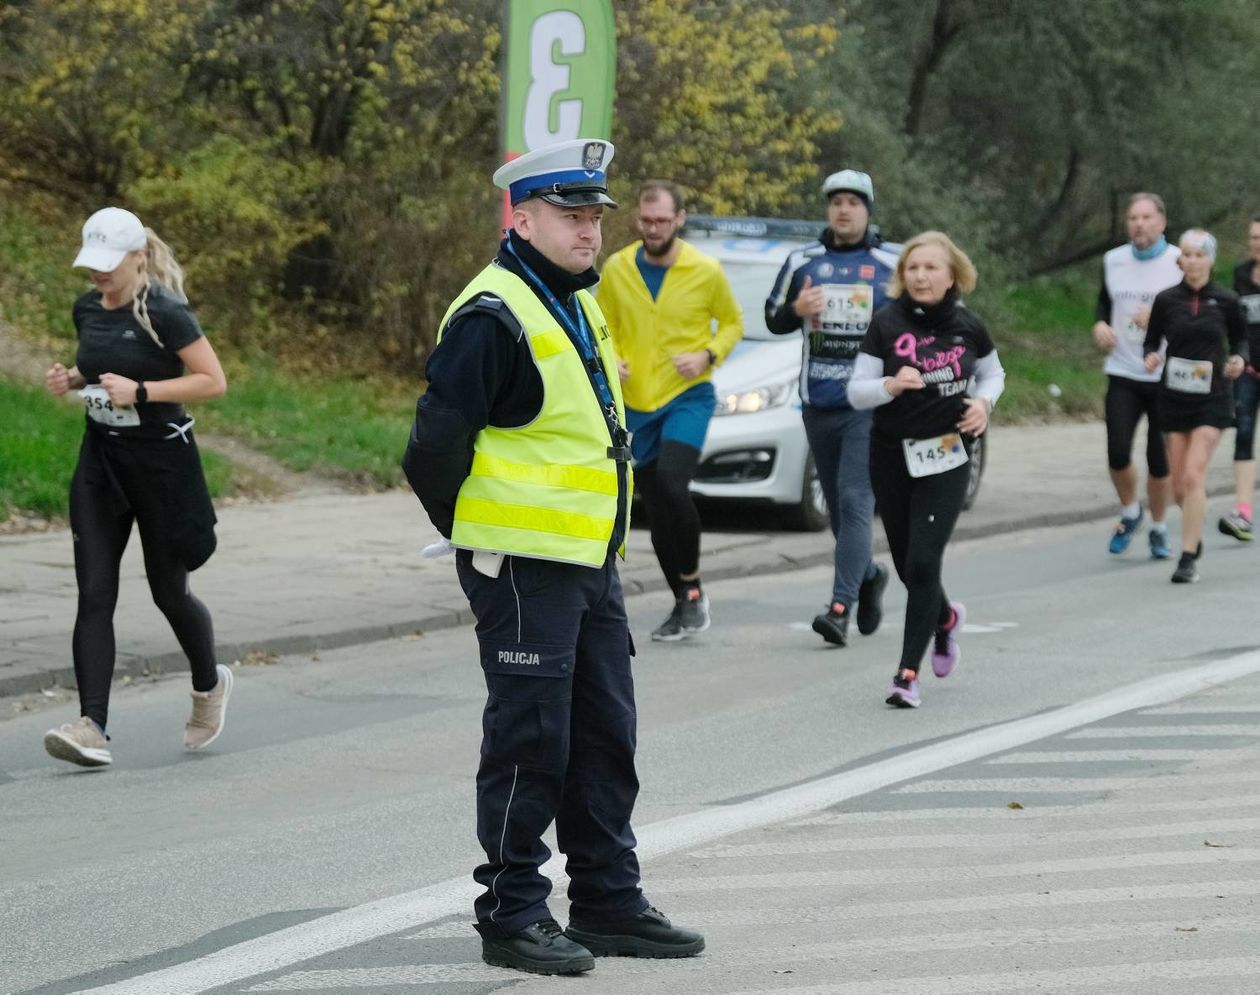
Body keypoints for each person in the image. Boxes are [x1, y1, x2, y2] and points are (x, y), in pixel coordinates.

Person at [401, 139, 703, 976]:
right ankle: (511, 912)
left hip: (586, 563)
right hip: (525, 566)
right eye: (572, 217)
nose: (589, 232)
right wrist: (481, 539)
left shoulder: (574, 298)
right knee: (532, 743)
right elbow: (431, 449)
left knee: (604, 736)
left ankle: (607, 899)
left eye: (593, 217)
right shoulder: (493, 314)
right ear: (522, 217)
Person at [41, 207, 231, 768]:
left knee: (168, 591)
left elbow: (212, 381)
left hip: (162, 469)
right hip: (101, 466)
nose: (98, 274)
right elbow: (100, 365)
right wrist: (73, 378)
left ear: (137, 257)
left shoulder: (165, 312)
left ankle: (208, 685)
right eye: (91, 263)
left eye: (109, 264)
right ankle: (91, 726)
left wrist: (143, 392)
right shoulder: (86, 309)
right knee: (95, 593)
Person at [848, 232, 1005, 708]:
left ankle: (906, 675)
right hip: (891, 452)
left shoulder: (969, 327)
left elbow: (994, 373)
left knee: (922, 563)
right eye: (913, 268)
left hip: (948, 453)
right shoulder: (886, 323)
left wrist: (983, 402)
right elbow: (857, 391)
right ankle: (945, 619)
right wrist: (890, 385)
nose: (920, 276)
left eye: (931, 268)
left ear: (953, 274)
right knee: (905, 563)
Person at [597, 180, 742, 641]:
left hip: (687, 396)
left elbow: (734, 323)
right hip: (637, 402)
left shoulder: (706, 270)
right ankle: (682, 600)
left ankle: (694, 587)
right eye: (646, 220)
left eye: (662, 220)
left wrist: (708, 355)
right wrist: (609, 358)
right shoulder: (618, 267)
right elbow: (601, 325)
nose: (653, 228)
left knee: (673, 487)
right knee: (656, 507)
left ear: (680, 219)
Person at [765, 169, 898, 647]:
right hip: (817, 400)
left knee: (856, 500)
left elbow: (920, 320)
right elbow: (772, 318)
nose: (844, 209)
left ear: (867, 210)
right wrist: (797, 310)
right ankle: (869, 575)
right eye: (836, 201)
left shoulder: (891, 262)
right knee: (841, 515)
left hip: (869, 403)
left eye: (853, 202)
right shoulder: (803, 260)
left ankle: (839, 608)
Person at [1143, 229, 1248, 583]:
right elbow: (1151, 341)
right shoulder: (1166, 300)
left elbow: (1241, 342)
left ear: (1211, 260)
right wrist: (1152, 356)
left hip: (1214, 397)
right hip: (1174, 397)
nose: (1193, 261)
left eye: (1200, 255)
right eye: (1187, 255)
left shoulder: (1228, 300)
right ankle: (1194, 529)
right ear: (1180, 260)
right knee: (1178, 487)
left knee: (1193, 473)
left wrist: (1237, 360)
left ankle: (1187, 557)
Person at [1092, 193, 1182, 559]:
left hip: (1163, 374)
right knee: (1117, 452)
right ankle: (1131, 511)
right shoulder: (1114, 260)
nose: (1139, 224)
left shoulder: (1179, 261)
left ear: (1161, 221)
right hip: (1123, 369)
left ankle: (1159, 528)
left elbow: (1193, 313)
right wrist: (1099, 323)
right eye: (1133, 218)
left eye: (1146, 217)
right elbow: (1104, 300)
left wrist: (1159, 318)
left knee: (1159, 461)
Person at [1218, 213, 1260, 541]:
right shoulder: (1241, 275)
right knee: (1243, 434)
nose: (1256, 243)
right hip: (1249, 370)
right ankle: (1243, 512)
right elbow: (1233, 322)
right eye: (1253, 237)